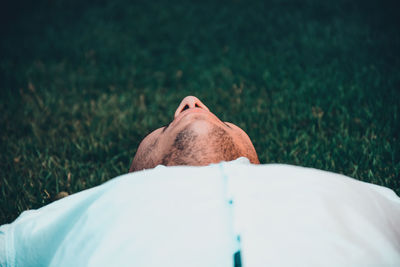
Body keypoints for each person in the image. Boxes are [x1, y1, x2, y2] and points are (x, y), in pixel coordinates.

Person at [1, 96, 400, 267]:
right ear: (135, 170)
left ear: (255, 158)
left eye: (222, 120)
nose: (190, 103)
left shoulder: (335, 193)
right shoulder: (94, 206)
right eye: (164, 126)